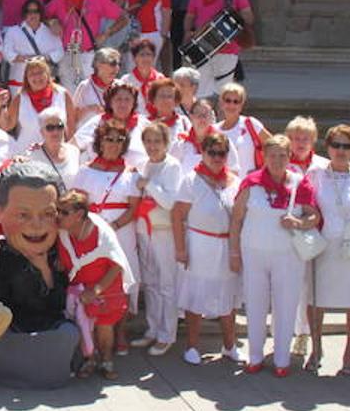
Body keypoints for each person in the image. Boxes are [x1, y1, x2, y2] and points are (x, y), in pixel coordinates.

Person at [0, 160, 78, 389]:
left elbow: (57, 304)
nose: (37, 225)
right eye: (23, 215)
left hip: (48, 330)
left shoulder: (60, 255)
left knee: (67, 334)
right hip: (14, 334)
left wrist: (44, 269)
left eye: (47, 214)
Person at [229, 134, 320, 376]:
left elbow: (314, 216)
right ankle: (255, 355)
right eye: (272, 155)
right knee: (256, 304)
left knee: (286, 304)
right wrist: (234, 252)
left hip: (288, 256)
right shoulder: (251, 183)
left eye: (282, 155)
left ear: (290, 156)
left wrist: (299, 223)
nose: (277, 160)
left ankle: (282, 359)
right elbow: (236, 219)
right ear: (264, 157)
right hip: (254, 254)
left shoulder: (300, 183)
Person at [305, 124, 350, 375]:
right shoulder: (316, 173)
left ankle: (349, 354)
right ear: (327, 147)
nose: (340, 150)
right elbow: (306, 205)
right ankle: (316, 349)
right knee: (316, 301)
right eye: (336, 145)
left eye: (346, 146)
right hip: (324, 245)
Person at [172, 131, 242, 365]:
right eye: (211, 152)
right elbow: (177, 215)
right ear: (202, 153)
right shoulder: (191, 180)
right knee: (196, 298)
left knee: (228, 298)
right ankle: (192, 346)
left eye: (221, 153)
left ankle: (230, 345)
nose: (216, 157)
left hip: (228, 245)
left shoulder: (234, 181)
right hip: (200, 244)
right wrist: (181, 249)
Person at [76, 118, 142, 353]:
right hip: (92, 232)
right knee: (94, 279)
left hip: (122, 233)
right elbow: (78, 205)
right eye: (109, 139)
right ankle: (93, 334)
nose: (113, 144)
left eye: (118, 139)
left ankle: (120, 333)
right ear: (100, 142)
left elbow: (134, 208)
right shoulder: (84, 172)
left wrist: (114, 226)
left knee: (120, 283)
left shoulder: (131, 174)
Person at [57, 189, 134, 380]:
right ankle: (89, 360)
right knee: (83, 325)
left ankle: (107, 359)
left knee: (103, 325)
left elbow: (117, 265)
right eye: (58, 210)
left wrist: (97, 290)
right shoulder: (61, 231)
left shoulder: (102, 232)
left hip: (104, 285)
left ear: (79, 215)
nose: (59, 216)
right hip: (78, 286)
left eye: (64, 212)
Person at [130, 121, 185, 357]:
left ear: (166, 143)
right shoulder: (143, 165)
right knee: (150, 282)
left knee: (166, 284)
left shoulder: (172, 166)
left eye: (157, 141)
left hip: (164, 231)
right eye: (148, 141)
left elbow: (171, 202)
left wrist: (149, 185)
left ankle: (167, 334)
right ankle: (152, 330)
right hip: (144, 229)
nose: (152, 146)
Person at [44, 0, 126, 92]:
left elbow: (123, 18)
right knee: (70, 96)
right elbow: (41, 15)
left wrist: (106, 34)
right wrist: (52, 22)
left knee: (92, 94)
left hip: (88, 55)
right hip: (67, 55)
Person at [185, 0, 254, 98]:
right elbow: (190, 15)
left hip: (228, 49)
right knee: (201, 91)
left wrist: (234, 17)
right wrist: (187, 32)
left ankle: (221, 119)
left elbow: (249, 16)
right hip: (202, 47)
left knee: (224, 92)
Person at [4, 56, 74, 152]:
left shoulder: (62, 93)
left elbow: (71, 126)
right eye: (32, 73)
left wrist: (69, 150)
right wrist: (2, 106)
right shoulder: (20, 97)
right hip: (27, 154)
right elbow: (8, 125)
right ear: (26, 78)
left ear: (48, 74)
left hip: (56, 154)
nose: (37, 76)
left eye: (40, 72)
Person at [216, 82, 268, 174]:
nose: (232, 105)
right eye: (228, 100)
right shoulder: (214, 130)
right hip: (225, 186)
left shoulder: (251, 124)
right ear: (221, 103)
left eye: (236, 101)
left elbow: (274, 146)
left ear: (241, 105)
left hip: (250, 185)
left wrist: (262, 172)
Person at [26, 107, 84, 188]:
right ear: (42, 132)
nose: (55, 132)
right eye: (50, 128)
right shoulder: (32, 156)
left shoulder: (74, 151)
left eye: (59, 126)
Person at [72, 47, 121, 124]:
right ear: (98, 65)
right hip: (89, 133)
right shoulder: (85, 86)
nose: (116, 68)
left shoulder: (121, 85)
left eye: (118, 64)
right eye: (112, 64)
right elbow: (72, 117)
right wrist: (89, 109)